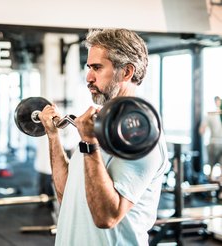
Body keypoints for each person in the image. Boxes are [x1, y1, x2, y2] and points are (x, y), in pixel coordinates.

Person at [38, 28, 169, 245]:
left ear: (126, 72)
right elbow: (66, 196)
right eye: (89, 67)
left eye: (97, 68)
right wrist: (53, 137)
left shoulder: (141, 136)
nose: (88, 77)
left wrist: (89, 142)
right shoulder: (97, 126)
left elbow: (106, 217)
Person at [199, 96, 222, 181]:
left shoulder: (210, 115)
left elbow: (201, 130)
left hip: (214, 143)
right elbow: (202, 130)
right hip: (213, 143)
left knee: (213, 169)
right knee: (212, 170)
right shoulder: (210, 115)